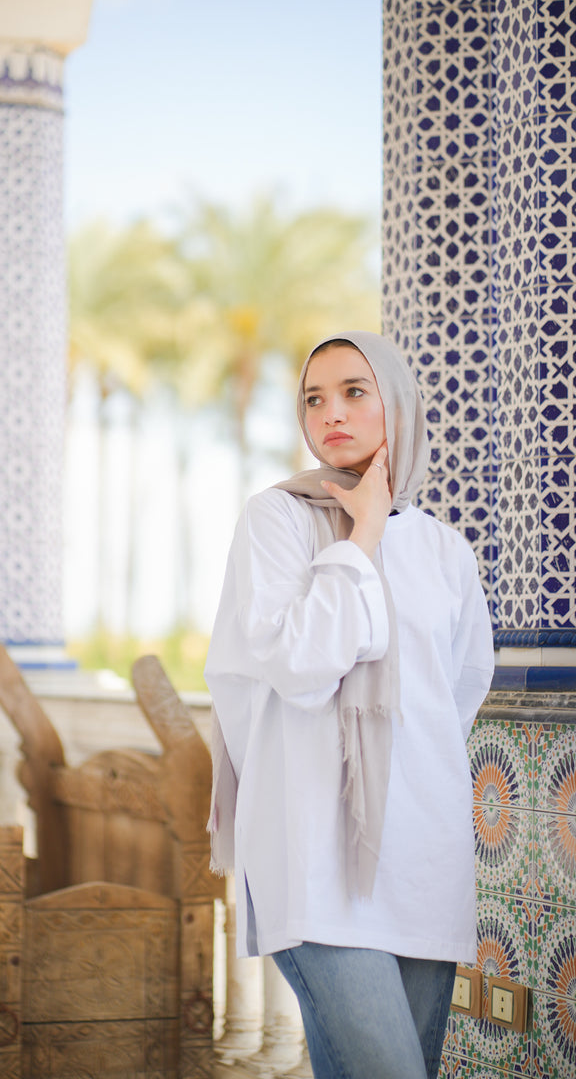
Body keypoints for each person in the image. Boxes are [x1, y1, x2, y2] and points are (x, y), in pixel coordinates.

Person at [205, 331, 494, 1079]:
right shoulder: (278, 521)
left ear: (396, 405)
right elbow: (301, 666)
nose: (330, 412)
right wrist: (361, 533)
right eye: (313, 398)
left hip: (423, 854)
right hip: (310, 852)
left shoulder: (445, 552)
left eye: (354, 391)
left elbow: (453, 700)